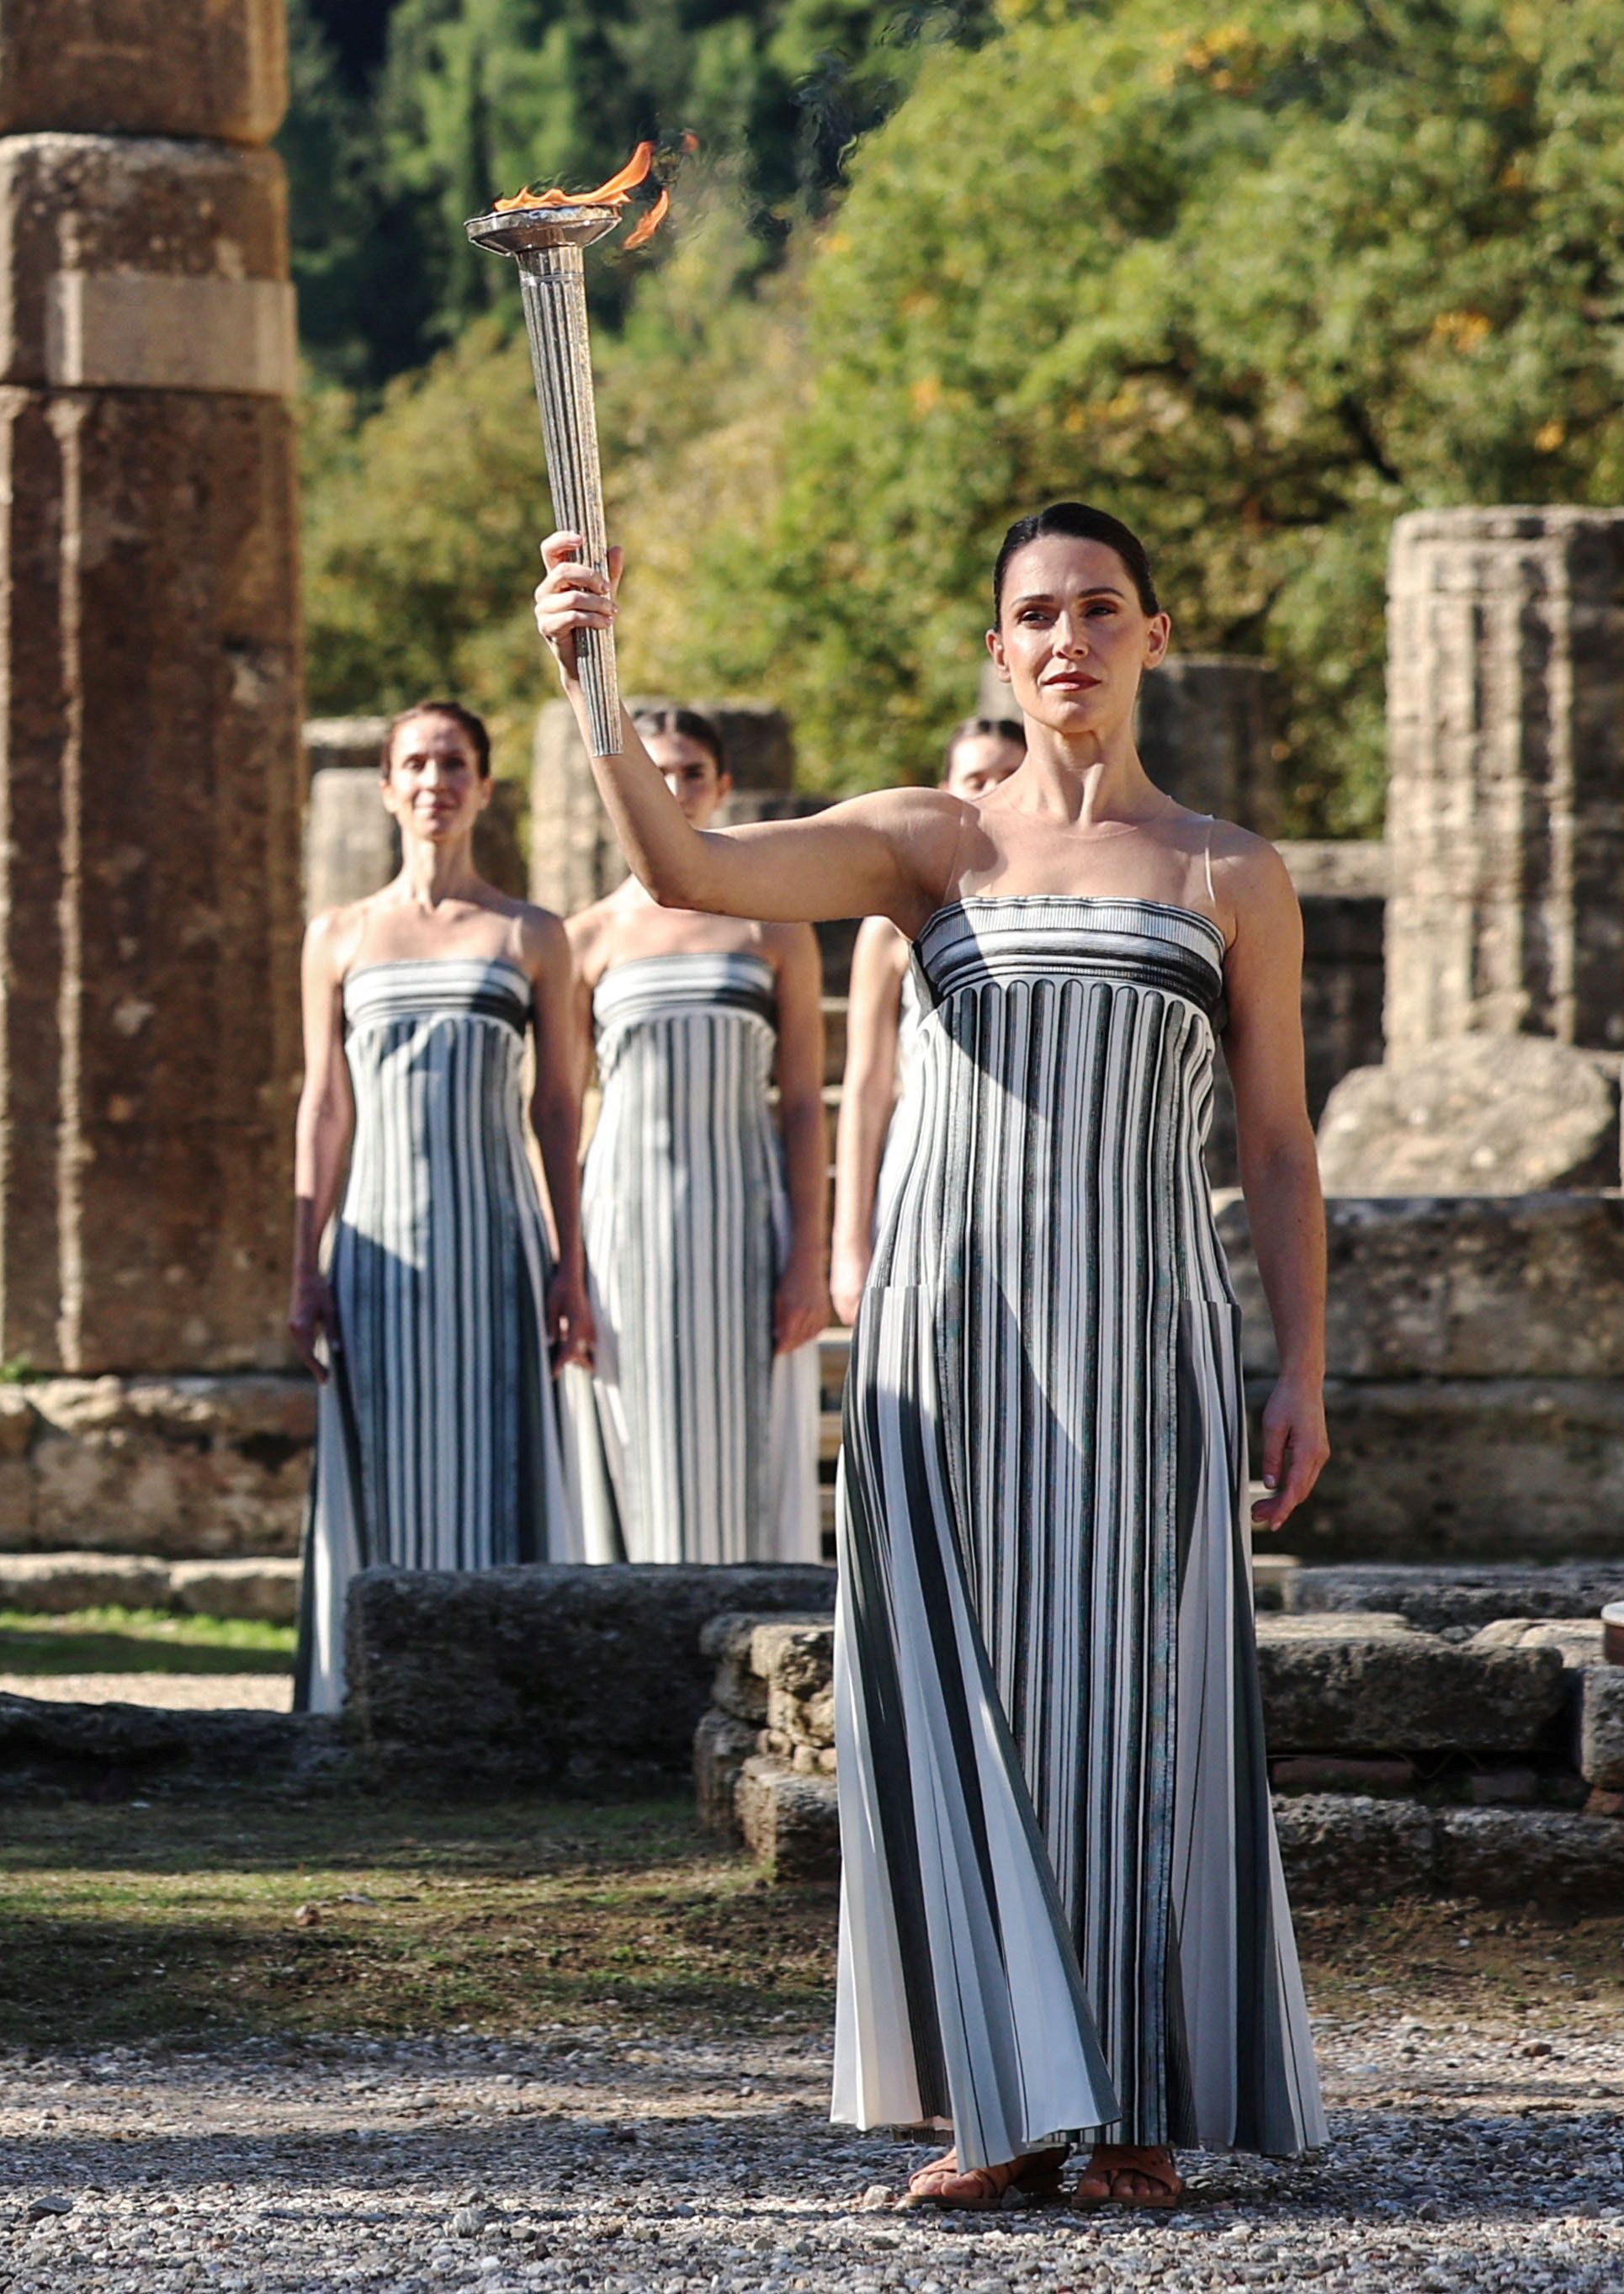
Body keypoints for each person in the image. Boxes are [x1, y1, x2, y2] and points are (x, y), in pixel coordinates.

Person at [535, 501, 1327, 2210]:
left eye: (1100, 608)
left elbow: (1272, 1146)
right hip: (945, 1346)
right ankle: (993, 2100)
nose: (1068, 638)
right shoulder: (927, 847)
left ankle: (1130, 2108)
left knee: (1142, 1705)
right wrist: (593, 687)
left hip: (1149, 1342)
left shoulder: (1226, 872)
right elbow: (693, 876)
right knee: (943, 1705)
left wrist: (1301, 1368)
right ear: (997, 648)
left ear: (1148, 635)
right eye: (1036, 613)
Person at [287, 700, 590, 1713]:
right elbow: (323, 1104)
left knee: (495, 1459)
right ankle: (371, 1699)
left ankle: (496, 1699)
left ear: (483, 787)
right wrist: (303, 1265)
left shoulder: (530, 934)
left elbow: (557, 1106)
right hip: (373, 1246)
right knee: (384, 1463)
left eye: (453, 762)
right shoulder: (336, 936)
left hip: (494, 1240)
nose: (433, 780)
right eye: (413, 763)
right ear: (386, 786)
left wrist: (568, 1263)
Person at [563, 704, 829, 1564]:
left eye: (687, 773)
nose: (669, 789)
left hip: (743, 1218)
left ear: (719, 788)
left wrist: (807, 1257)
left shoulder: (773, 923)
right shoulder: (586, 939)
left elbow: (798, 1101)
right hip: (621, 1223)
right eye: (652, 770)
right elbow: (561, 1108)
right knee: (629, 1442)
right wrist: (562, 1262)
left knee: (743, 1445)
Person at [830, 719, 1025, 1323]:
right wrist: (848, 1243)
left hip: (1030, 1173)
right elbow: (865, 1087)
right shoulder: (892, 918)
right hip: (924, 1159)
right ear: (946, 787)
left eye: (1008, 777)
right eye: (975, 778)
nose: (989, 791)